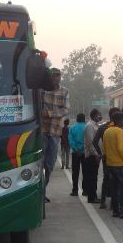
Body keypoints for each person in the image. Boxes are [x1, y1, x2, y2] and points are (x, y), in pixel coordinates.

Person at [41, 68, 69, 203]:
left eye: (58, 76)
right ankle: (39, 193)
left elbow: (66, 110)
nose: (56, 78)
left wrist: (50, 113)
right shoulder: (41, 91)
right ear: (49, 77)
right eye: (53, 76)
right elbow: (37, 108)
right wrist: (43, 112)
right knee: (39, 163)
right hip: (41, 131)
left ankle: (42, 191)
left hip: (55, 131)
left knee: (49, 165)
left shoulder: (64, 91)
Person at [103, 112, 123, 219]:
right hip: (119, 164)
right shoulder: (119, 131)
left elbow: (104, 148)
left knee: (114, 188)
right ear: (119, 121)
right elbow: (120, 148)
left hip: (110, 164)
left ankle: (115, 210)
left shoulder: (107, 131)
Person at [93, 107, 121, 209]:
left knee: (107, 178)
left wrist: (101, 153)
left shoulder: (103, 127)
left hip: (106, 156)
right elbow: (94, 142)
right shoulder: (118, 128)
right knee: (114, 179)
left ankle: (104, 201)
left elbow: (94, 142)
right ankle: (112, 203)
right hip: (116, 158)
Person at [83, 109, 102, 203]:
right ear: (94, 116)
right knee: (92, 177)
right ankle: (91, 197)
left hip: (96, 155)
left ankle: (93, 196)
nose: (100, 117)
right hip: (91, 156)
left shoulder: (95, 125)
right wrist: (96, 155)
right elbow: (91, 143)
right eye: (99, 115)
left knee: (94, 176)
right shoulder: (89, 126)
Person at [68, 113, 86, 196]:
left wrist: (76, 149)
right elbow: (89, 140)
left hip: (75, 153)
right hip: (85, 152)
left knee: (75, 172)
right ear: (84, 119)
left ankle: (75, 191)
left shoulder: (72, 128)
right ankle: (85, 190)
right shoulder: (87, 127)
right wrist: (82, 149)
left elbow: (70, 140)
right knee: (86, 172)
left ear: (76, 119)